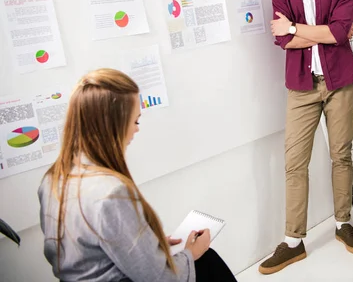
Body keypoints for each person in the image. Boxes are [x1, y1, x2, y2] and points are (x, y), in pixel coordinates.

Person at [38, 68, 237, 282]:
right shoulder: (112, 193)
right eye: (136, 121)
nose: (136, 130)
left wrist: (149, 246)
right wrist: (192, 252)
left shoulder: (52, 179)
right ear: (113, 126)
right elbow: (160, 278)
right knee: (207, 260)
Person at [259, 0, 353, 275]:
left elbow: (337, 33)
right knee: (294, 163)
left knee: (341, 155)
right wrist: (306, 32)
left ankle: (342, 224)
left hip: (339, 82)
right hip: (301, 87)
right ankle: (292, 241)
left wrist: (296, 28)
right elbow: (282, 39)